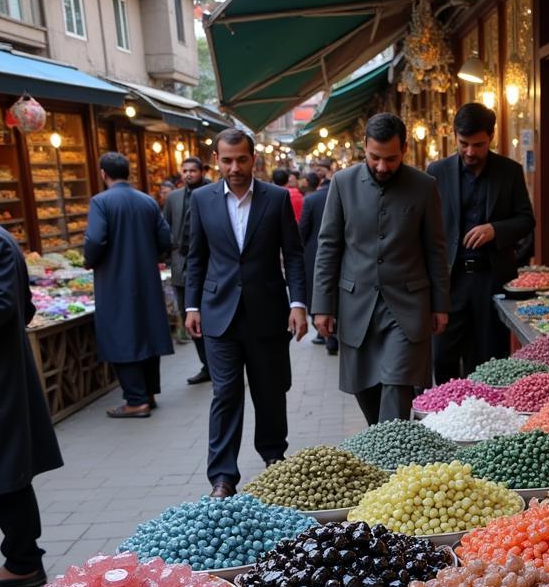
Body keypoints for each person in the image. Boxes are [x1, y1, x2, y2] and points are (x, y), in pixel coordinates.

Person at [185, 128, 306, 498]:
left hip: (268, 312)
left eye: (241, 159)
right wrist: (191, 305)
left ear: (254, 159)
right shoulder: (202, 199)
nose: (234, 167)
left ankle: (274, 460)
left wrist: (298, 303)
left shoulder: (276, 198)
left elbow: (295, 255)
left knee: (270, 391)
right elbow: (196, 257)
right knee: (226, 393)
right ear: (216, 161)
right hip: (218, 313)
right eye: (226, 160)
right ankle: (222, 477)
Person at [312, 113, 449, 425]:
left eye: (391, 158)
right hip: (356, 305)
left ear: (404, 150)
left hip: (408, 306)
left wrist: (441, 304)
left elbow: (436, 249)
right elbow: (328, 247)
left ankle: (392, 463)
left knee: (397, 384)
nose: (383, 167)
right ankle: (384, 443)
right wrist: (322, 306)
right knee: (367, 392)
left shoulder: (424, 187)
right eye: (375, 158)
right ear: (364, 147)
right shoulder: (342, 183)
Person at [427, 103, 535, 383]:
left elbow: (526, 220)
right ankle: (447, 418)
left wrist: (495, 229)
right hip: (451, 280)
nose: (470, 152)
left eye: (479, 145)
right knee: (443, 358)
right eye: (464, 144)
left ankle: (488, 417)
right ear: (455, 137)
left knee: (490, 359)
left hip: (492, 279)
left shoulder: (510, 171)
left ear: (492, 137)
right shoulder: (436, 171)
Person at [0, 217, 63, 587]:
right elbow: (25, 307)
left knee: (3, 472)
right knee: (1, 469)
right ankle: (21, 558)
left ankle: (23, 561)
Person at [84, 152, 172, 419]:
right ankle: (148, 393)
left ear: (103, 173)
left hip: (114, 279)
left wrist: (90, 261)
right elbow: (165, 239)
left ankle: (135, 400)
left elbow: (96, 239)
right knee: (147, 331)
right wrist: (151, 256)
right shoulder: (146, 201)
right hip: (145, 276)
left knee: (123, 335)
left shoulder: (101, 202)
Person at [162, 156, 211, 384]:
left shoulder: (213, 192)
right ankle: (206, 364)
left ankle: (218, 362)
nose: (189, 174)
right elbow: (167, 227)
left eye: (193, 170)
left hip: (209, 266)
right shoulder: (173, 198)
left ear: (202, 171)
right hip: (181, 265)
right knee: (188, 315)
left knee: (211, 316)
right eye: (185, 170)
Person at [298, 171, 336, 353]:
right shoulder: (342, 195)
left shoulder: (311, 200)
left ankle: (325, 334)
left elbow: (302, 230)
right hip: (342, 254)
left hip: (314, 254)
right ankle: (333, 332)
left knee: (317, 291)